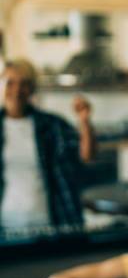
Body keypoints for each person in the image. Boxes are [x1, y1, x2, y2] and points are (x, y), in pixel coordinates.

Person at [0, 58, 95, 228]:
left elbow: (86, 156)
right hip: (5, 223)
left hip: (50, 219)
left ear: (32, 89)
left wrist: (85, 122)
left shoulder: (52, 125)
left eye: (24, 84)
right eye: (10, 83)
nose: (17, 90)